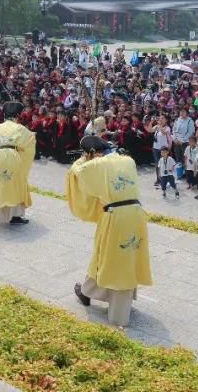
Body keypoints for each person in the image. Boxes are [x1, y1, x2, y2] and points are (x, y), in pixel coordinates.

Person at [68, 134, 152, 327]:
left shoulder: (97, 164)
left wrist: (83, 159)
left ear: (92, 153)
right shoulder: (128, 161)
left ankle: (117, 313)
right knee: (126, 258)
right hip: (136, 213)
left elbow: (77, 172)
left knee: (109, 258)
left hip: (116, 216)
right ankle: (90, 291)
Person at [0, 100, 35, 225]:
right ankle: (15, 215)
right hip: (14, 158)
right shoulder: (21, 129)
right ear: (18, 115)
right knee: (16, 185)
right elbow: (30, 141)